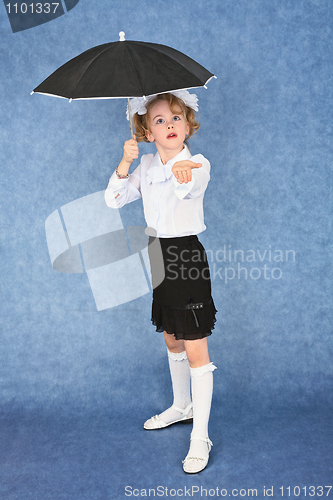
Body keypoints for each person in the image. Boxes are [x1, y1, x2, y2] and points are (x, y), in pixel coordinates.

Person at [105, 90, 217, 474]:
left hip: (185, 256)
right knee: (171, 336)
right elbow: (114, 200)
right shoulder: (147, 164)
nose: (169, 124)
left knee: (195, 345)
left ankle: (199, 436)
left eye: (175, 118)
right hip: (157, 254)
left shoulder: (197, 163)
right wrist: (125, 163)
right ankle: (181, 405)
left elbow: (190, 187)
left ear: (187, 124)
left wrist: (182, 173)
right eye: (159, 120)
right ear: (147, 132)